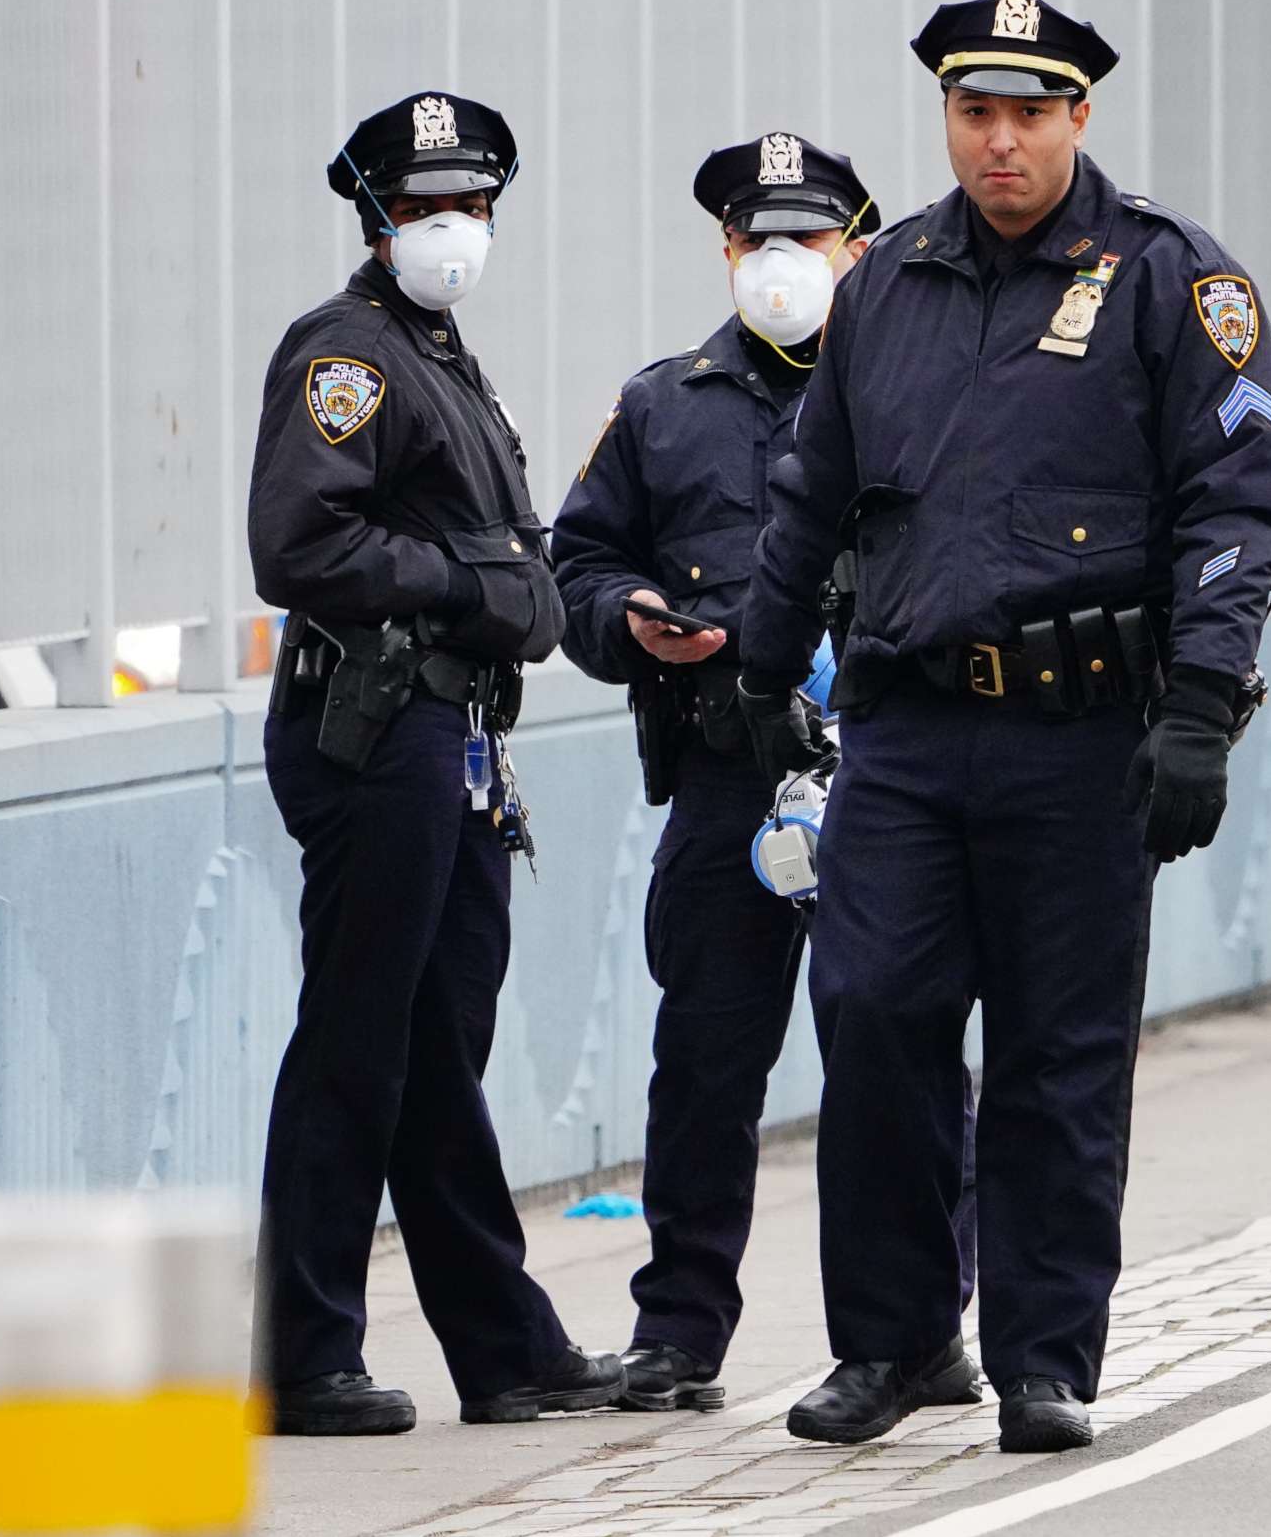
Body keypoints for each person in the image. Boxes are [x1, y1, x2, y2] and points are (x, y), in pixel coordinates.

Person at [739, 0, 1271, 1453]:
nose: (1001, 141)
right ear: (947, 119)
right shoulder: (890, 285)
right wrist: (760, 659)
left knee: (1059, 1053)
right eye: (975, 113)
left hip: (1083, 733)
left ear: (1080, 119)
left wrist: (1201, 701)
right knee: (874, 1021)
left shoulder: (1170, 281)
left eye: (1030, 115)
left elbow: (1244, 502)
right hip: (911, 732)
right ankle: (897, 1341)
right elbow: (813, 489)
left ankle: (1046, 1357)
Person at [550, 135, 978, 1413]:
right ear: (725, 252)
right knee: (706, 1059)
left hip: (888, 771)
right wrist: (628, 615)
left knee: (900, 1051)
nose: (781, 265)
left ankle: (925, 1323)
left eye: (809, 239)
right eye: (756, 242)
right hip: (731, 776)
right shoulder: (661, 406)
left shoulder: (932, 387)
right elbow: (575, 568)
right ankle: (679, 1332)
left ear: (861, 246)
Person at [247, 90, 622, 1435]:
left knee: (435, 1038)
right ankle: (304, 1355)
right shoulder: (345, 355)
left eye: (469, 206)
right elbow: (298, 548)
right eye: (422, 209)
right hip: (376, 724)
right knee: (360, 1036)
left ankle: (505, 1347)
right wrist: (469, 580)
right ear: (374, 218)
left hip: (452, 737)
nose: (450, 230)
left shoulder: (439, 351)